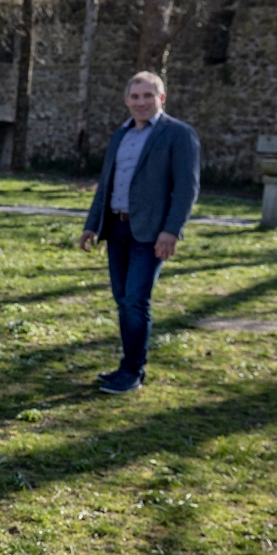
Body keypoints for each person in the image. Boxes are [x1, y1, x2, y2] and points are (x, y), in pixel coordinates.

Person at [75, 71, 200, 394]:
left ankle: (133, 371)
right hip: (116, 228)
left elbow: (187, 188)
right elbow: (106, 184)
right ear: (127, 100)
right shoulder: (120, 135)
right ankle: (125, 366)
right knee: (122, 299)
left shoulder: (178, 134)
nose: (141, 102)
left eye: (148, 96)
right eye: (135, 96)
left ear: (162, 98)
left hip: (151, 233)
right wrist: (92, 224)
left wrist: (171, 231)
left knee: (135, 300)